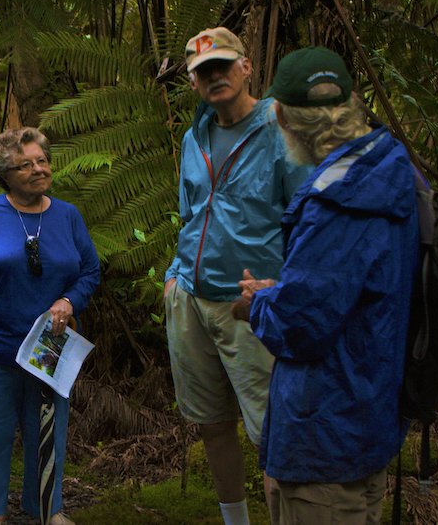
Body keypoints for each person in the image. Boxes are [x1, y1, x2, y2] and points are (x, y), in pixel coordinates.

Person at [233, 47, 418, 525]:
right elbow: (355, 289)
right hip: (366, 412)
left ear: (282, 117)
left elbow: (300, 328)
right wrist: (286, 288)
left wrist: (258, 305)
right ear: (352, 104)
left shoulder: (338, 201)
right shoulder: (390, 167)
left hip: (326, 433)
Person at [163, 27, 312, 525]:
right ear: (192, 83)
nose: (215, 76)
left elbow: (309, 220)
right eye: (204, 71)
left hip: (254, 306)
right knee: (212, 425)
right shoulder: (193, 137)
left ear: (247, 67)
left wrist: (284, 288)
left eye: (224, 65)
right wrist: (172, 276)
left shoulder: (281, 128)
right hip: (191, 299)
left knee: (273, 434)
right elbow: (189, 215)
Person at [0, 127, 100, 525]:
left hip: (47, 348)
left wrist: (68, 301)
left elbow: (90, 272)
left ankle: (48, 508)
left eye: (42, 160)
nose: (37, 169)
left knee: (46, 434)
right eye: (25, 164)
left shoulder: (67, 215)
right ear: (4, 174)